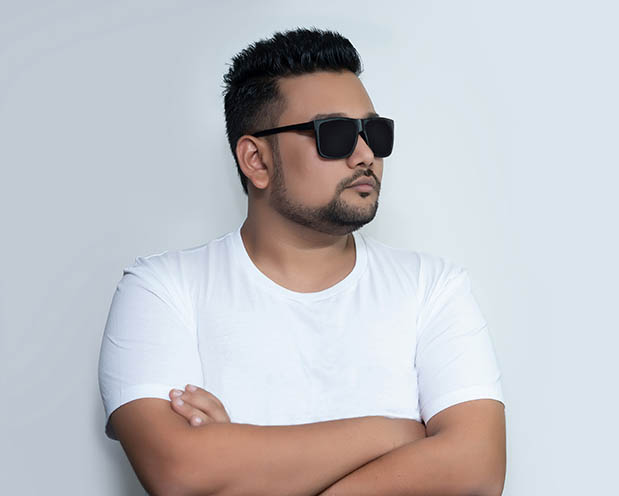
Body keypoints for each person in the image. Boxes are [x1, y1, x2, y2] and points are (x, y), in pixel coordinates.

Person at [98, 27, 506, 496]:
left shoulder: (432, 288)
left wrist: (243, 463)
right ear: (256, 160)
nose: (365, 154)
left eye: (375, 133)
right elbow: (180, 472)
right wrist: (402, 434)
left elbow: (478, 468)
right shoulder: (162, 289)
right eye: (334, 135)